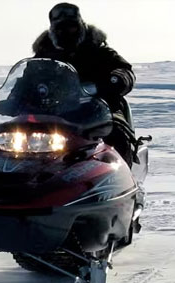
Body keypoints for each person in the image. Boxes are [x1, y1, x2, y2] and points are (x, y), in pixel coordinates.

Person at [32, 3, 137, 164]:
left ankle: (124, 176)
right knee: (14, 137)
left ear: (80, 25)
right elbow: (27, 79)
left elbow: (123, 70)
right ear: (53, 29)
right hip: (53, 113)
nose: (66, 32)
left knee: (115, 133)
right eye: (60, 28)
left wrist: (116, 80)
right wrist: (12, 98)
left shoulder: (99, 51)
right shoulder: (43, 55)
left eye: (71, 27)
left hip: (97, 110)